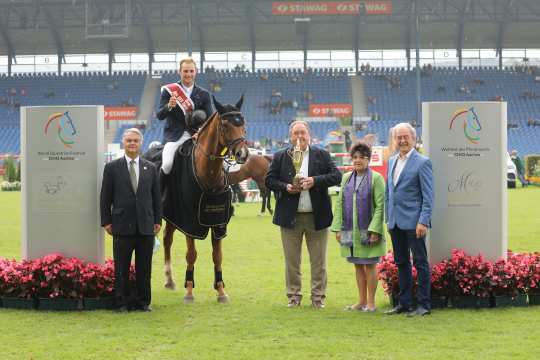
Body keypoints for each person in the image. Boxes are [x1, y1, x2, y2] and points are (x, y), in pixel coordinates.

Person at [265, 120, 342, 309]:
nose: (299, 137)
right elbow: (269, 180)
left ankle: (318, 298)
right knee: (292, 262)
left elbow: (336, 176)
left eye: (303, 133)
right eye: (296, 133)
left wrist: (315, 181)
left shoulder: (321, 154)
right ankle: (293, 296)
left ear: (309, 135)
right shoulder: (281, 156)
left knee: (319, 262)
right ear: (290, 136)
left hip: (317, 217)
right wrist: (286, 187)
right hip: (290, 218)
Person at [100, 128, 162, 312]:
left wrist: (158, 220)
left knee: (145, 268)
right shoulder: (111, 168)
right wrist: (106, 221)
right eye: (129, 141)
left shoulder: (150, 168)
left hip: (146, 226)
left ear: (141, 143)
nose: (132, 143)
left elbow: (156, 198)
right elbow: (105, 197)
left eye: (135, 140)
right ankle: (121, 303)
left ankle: (143, 302)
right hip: (121, 226)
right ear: (123, 143)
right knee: (121, 268)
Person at [385, 123, 434, 317]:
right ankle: (404, 303)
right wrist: (388, 218)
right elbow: (390, 192)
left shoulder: (423, 162)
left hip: (415, 223)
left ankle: (424, 305)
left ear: (414, 139)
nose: (403, 140)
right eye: (399, 137)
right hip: (395, 222)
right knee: (401, 262)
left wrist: (423, 221)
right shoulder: (391, 161)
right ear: (395, 140)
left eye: (406, 137)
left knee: (420, 263)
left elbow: (428, 196)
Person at [331, 142, 386, 312]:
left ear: (368, 159)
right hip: (350, 231)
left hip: (369, 232)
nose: (358, 160)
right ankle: (361, 301)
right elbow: (340, 204)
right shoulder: (346, 178)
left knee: (370, 265)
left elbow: (380, 206)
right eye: (355, 157)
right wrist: (338, 228)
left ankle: (371, 302)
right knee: (357, 265)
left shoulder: (376, 178)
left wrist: (375, 230)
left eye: (362, 157)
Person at [156, 57, 214, 174]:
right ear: (179, 72)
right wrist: (169, 106)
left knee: (218, 162)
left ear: (196, 72)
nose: (188, 74)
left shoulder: (204, 94)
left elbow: (210, 119)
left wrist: (200, 132)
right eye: (185, 71)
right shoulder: (169, 91)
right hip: (174, 136)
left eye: (191, 71)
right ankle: (161, 192)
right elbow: (160, 115)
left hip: (197, 137)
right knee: (166, 165)